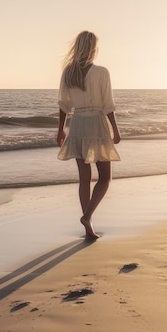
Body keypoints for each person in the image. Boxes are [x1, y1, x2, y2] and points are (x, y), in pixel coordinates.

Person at [57, 30, 121, 240]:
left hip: (77, 124)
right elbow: (108, 105)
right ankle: (88, 216)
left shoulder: (68, 72)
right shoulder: (101, 72)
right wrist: (115, 130)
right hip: (95, 123)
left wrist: (61, 129)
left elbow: (64, 105)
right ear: (93, 48)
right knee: (105, 177)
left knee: (84, 179)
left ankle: (88, 228)